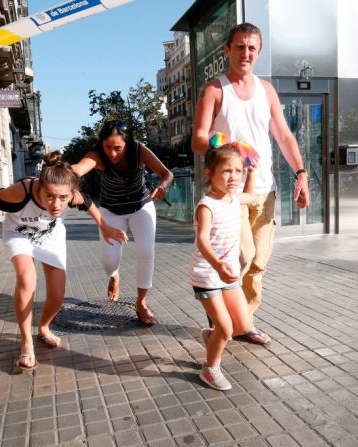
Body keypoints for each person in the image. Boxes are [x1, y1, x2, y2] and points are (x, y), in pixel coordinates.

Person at [192, 22, 310, 344]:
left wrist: (301, 174)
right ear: (227, 50)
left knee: (258, 261)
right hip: (229, 192)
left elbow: (284, 136)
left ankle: (244, 322)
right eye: (240, 47)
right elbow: (199, 141)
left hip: (265, 189)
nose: (246, 53)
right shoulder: (215, 90)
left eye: (252, 48)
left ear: (258, 52)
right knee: (240, 257)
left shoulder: (266, 90)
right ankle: (221, 320)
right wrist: (229, 144)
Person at [0, 152, 127, 370]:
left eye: (63, 198)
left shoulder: (72, 195)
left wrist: (104, 226)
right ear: (40, 187)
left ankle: (44, 328)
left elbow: (88, 203)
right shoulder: (23, 190)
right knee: (27, 279)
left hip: (50, 236)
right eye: (49, 196)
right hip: (19, 233)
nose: (56, 204)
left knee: (57, 295)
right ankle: (26, 342)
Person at [71, 120, 173, 326]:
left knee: (146, 253)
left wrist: (163, 186)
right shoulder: (97, 154)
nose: (112, 153)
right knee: (110, 259)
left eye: (118, 148)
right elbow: (79, 168)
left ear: (128, 143)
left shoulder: (139, 151)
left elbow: (166, 174)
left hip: (141, 206)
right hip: (111, 210)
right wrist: (63, 175)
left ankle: (141, 303)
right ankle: (114, 275)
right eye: (108, 147)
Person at [190, 143, 260, 390]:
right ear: (210, 173)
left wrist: (251, 172)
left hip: (227, 274)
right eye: (227, 171)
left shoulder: (233, 198)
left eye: (238, 171)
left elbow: (250, 197)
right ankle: (210, 369)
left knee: (242, 326)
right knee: (227, 328)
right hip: (208, 275)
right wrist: (218, 265)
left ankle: (211, 336)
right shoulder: (207, 205)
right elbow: (202, 240)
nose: (234, 177)